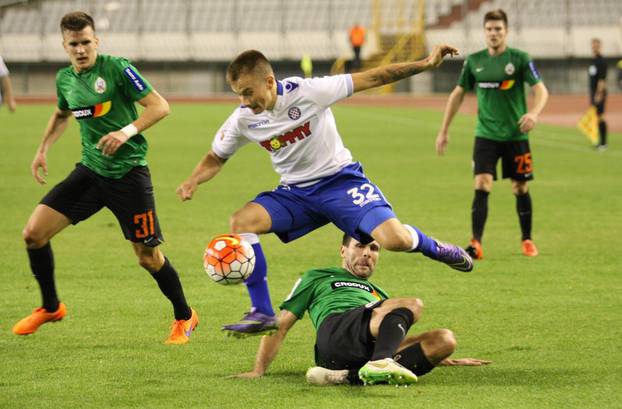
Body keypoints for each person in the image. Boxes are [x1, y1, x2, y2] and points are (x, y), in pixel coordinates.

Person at [177, 46, 474, 338]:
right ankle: (263, 311)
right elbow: (216, 156)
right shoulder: (243, 119)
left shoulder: (309, 91)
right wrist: (193, 180)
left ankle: (436, 247)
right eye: (239, 94)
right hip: (296, 194)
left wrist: (425, 63)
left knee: (394, 240)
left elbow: (373, 77)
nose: (244, 101)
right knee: (241, 222)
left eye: (247, 92)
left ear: (269, 82)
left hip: (340, 182)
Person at [12, 11, 198, 344]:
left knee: (148, 258)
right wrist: (42, 149)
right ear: (64, 45)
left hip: (129, 175)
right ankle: (51, 307)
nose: (81, 49)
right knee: (33, 234)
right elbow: (60, 114)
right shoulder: (65, 79)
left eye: (86, 42)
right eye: (74, 44)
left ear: (96, 41)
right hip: (90, 172)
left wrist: (125, 132)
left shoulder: (117, 68)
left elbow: (160, 106)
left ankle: (185, 316)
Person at [235, 235, 490, 386]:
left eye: (374, 249)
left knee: (444, 340)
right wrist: (258, 370)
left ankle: (347, 377)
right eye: (360, 246)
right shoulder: (318, 276)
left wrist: (436, 358)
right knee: (412, 304)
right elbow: (282, 325)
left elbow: (390, 333)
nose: (367, 254)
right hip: (335, 332)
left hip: (360, 349)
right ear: (343, 250)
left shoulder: (379, 294)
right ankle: (381, 363)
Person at [435, 9, 549, 260]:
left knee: (520, 187)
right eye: (489, 29)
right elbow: (457, 94)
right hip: (485, 135)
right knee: (482, 183)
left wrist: (534, 114)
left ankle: (527, 239)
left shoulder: (519, 59)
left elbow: (541, 90)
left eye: (498, 29)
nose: (494, 33)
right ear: (484, 32)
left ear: (506, 31)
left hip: (515, 136)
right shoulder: (474, 61)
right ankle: (475, 243)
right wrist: (444, 130)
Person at [589, 38, 608, 151]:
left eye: (596, 46)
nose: (594, 47)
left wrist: (598, 94)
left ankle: (604, 143)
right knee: (596, 117)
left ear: (599, 46)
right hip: (593, 92)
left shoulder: (601, 61)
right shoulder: (593, 61)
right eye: (592, 45)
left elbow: (602, 80)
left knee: (601, 116)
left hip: (599, 93)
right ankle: (599, 141)